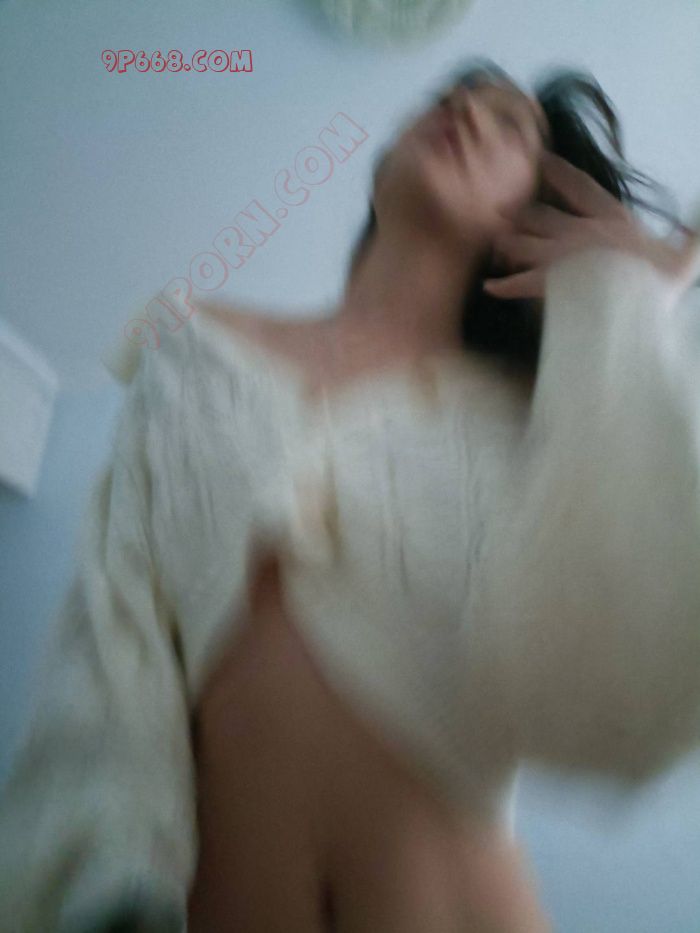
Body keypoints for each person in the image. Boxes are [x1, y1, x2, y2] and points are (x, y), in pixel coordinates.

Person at [1, 58, 699, 932]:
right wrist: (99, 894)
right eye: (451, 97)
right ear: (377, 172)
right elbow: (112, 633)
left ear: (534, 214)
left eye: (510, 124)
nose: (465, 110)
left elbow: (630, 677)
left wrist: (637, 304)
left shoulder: (539, 418)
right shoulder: (194, 353)